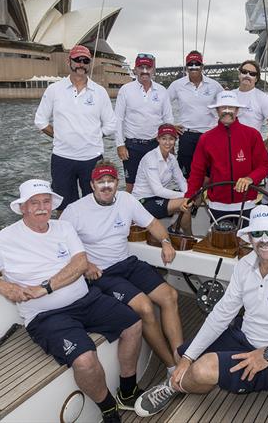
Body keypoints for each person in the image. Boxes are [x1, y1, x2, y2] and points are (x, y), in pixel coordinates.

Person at [0, 179, 142, 422]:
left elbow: (80, 263)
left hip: (86, 300)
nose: (42, 207)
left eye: (46, 201)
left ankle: (127, 391)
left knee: (134, 324)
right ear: (23, 208)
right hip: (47, 316)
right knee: (85, 360)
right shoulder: (5, 239)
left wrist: (46, 287)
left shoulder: (63, 228)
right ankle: (108, 408)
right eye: (34, 203)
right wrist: (3, 286)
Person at [134, 206, 268, 417]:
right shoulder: (245, 264)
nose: (265, 239)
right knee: (182, 354)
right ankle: (187, 377)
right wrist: (188, 358)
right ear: (249, 237)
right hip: (243, 336)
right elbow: (222, 313)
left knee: (202, 370)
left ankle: (173, 386)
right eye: (258, 233)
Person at [60, 161, 184, 376]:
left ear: (117, 183)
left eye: (110, 181)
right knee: (144, 307)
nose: (106, 186)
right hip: (102, 273)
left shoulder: (127, 200)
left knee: (170, 295)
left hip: (127, 263)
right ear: (92, 185)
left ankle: (181, 359)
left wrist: (165, 242)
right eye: (101, 182)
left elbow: (152, 223)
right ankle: (171, 368)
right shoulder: (75, 211)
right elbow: (58, 246)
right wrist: (85, 265)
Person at [34, 44, 116, 211]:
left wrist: (94, 135)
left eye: (85, 60)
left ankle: (94, 236)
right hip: (62, 158)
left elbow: (111, 124)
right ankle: (66, 236)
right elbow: (40, 121)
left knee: (95, 204)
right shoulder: (54, 90)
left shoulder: (99, 92)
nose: (81, 64)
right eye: (77, 60)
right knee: (63, 206)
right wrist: (60, 136)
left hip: (92, 158)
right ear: (69, 61)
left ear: (89, 63)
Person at [183, 91, 268, 225]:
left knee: (245, 244)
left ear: (237, 110)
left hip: (246, 203)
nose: (227, 111)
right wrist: (189, 195)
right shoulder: (206, 139)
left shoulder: (252, 135)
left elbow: (264, 165)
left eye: (231, 107)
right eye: (223, 107)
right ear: (217, 111)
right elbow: (197, 172)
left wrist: (250, 178)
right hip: (217, 205)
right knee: (220, 244)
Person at [115, 53, 174, 193]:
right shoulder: (125, 90)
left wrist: (170, 145)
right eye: (141, 67)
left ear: (153, 70)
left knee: (157, 183)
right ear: (135, 69)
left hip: (156, 145)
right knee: (131, 185)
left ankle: (153, 212)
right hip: (132, 146)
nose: (145, 71)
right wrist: (119, 145)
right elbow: (118, 119)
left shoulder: (162, 91)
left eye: (148, 67)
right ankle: (131, 214)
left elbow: (168, 120)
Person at [167, 50, 224, 178]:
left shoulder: (215, 85)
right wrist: (170, 125)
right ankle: (190, 198)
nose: (194, 67)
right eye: (190, 64)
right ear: (186, 67)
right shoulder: (177, 85)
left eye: (197, 64)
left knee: (211, 174)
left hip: (210, 135)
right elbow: (163, 105)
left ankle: (208, 197)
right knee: (187, 175)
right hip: (187, 135)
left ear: (202, 66)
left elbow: (226, 106)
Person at [132, 124, 192, 235]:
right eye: (164, 138)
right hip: (142, 201)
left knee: (193, 197)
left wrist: (190, 193)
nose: (167, 142)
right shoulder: (150, 158)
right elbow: (158, 190)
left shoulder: (172, 158)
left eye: (171, 139)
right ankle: (190, 237)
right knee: (185, 202)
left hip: (157, 198)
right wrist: (186, 196)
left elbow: (181, 181)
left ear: (175, 140)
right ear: (158, 139)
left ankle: (174, 228)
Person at [233, 60, 268, 151]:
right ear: (239, 74)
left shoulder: (263, 98)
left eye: (252, 74)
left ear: (256, 78)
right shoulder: (230, 96)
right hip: (229, 147)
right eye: (244, 72)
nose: (247, 75)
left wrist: (267, 147)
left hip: (251, 148)